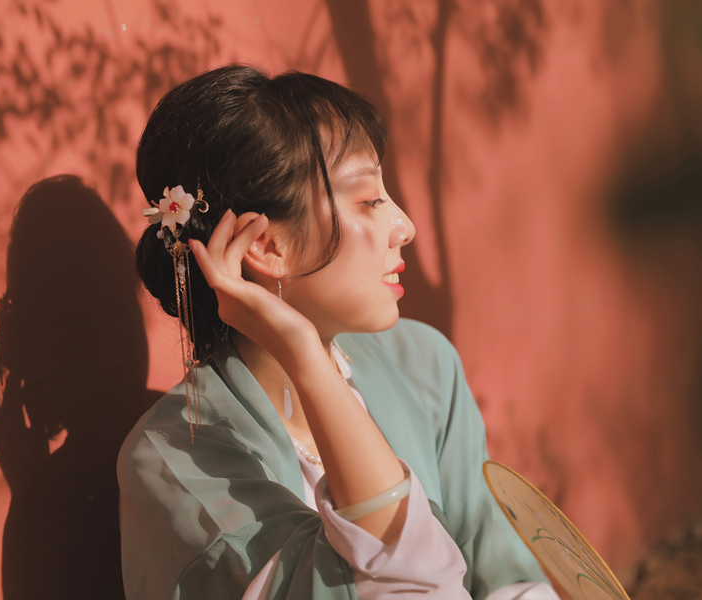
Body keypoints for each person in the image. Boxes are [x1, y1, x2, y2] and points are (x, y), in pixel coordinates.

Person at [118, 65, 558, 599]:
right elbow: (403, 585)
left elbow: (505, 573)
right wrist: (306, 358)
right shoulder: (174, 460)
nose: (405, 227)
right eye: (369, 200)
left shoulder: (423, 364)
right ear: (267, 246)